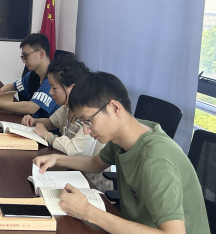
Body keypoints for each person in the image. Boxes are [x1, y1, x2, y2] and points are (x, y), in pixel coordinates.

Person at [34, 72, 210, 234]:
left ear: (115, 108)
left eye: (88, 121)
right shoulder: (125, 136)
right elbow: (94, 164)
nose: (86, 131)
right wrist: (57, 159)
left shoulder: (156, 159)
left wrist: (87, 212)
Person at [21, 54, 103, 156]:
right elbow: (51, 122)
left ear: (72, 88)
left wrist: (47, 135)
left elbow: (74, 150)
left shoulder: (89, 115)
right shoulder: (66, 107)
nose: (50, 92)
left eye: (54, 88)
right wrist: (34, 121)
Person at [0, 33, 59, 118]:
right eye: (23, 57)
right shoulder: (33, 74)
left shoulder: (52, 80)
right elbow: (12, 86)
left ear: (41, 54)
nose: (23, 61)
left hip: (46, 126)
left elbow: (31, 108)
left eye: (26, 56)